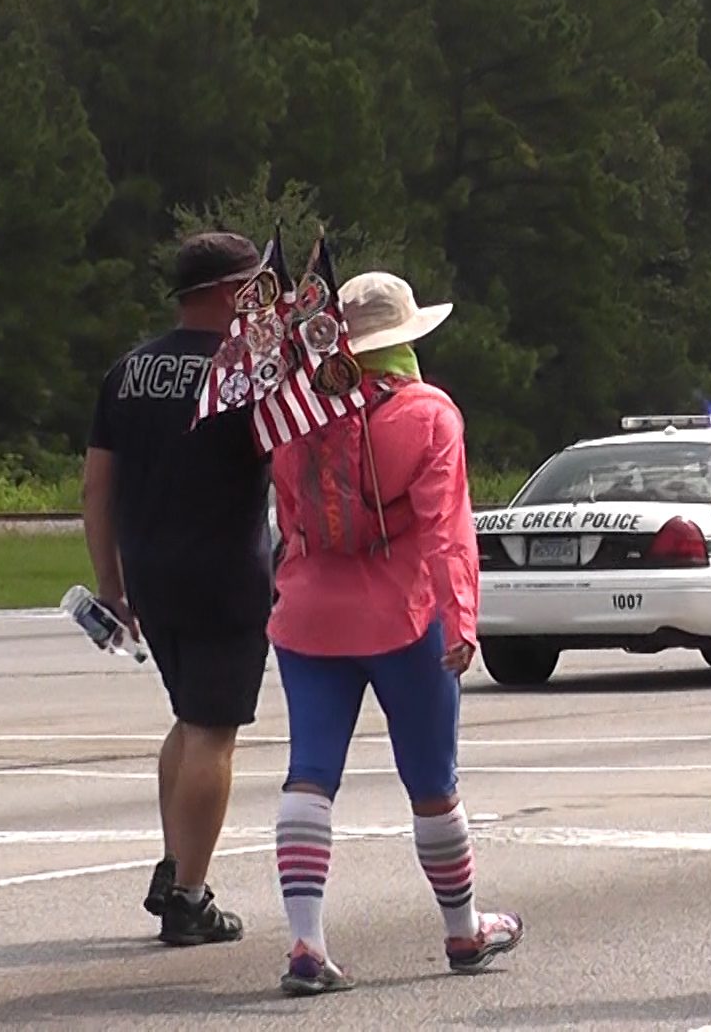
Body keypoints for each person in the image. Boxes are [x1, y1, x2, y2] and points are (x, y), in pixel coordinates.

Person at [264, 270, 522, 996]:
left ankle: (306, 943)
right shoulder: (428, 414)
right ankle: (463, 928)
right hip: (406, 616)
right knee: (432, 781)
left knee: (309, 774)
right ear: (405, 338)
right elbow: (448, 530)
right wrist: (461, 619)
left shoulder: (297, 413)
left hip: (309, 614)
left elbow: (289, 515)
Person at [82, 231, 275, 946]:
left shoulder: (128, 370)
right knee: (213, 730)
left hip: (151, 570)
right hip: (226, 567)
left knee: (188, 719)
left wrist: (111, 581)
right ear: (229, 292)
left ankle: (174, 865)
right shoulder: (247, 373)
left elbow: (97, 486)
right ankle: (190, 897)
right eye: (254, 289)